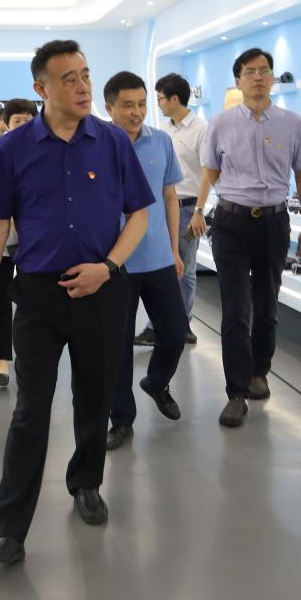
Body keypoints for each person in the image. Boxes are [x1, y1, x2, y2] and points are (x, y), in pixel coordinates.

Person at [0, 39, 154, 565]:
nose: (82, 87)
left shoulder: (112, 142)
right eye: (69, 79)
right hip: (37, 293)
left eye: (85, 75)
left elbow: (138, 215)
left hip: (102, 289)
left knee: (94, 397)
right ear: (41, 88)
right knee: (31, 409)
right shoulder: (13, 148)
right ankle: (9, 530)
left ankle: (86, 483)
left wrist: (108, 267)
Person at [189, 47, 301, 428]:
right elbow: (210, 172)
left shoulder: (293, 124)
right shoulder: (220, 123)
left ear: (272, 78)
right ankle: (236, 392)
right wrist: (198, 209)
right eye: (250, 71)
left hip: (274, 223)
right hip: (231, 222)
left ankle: (260, 371)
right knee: (235, 309)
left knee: (267, 304)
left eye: (264, 70)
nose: (258, 77)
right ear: (238, 80)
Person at [103, 71, 188, 451]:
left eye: (141, 104)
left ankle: (156, 382)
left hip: (158, 259)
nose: (137, 112)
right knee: (118, 347)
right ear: (110, 108)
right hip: (115, 262)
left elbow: (170, 197)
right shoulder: (97, 144)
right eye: (128, 105)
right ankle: (122, 420)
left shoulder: (162, 141)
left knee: (174, 333)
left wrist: (174, 249)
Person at [135, 72, 206, 347]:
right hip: (163, 206)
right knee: (163, 266)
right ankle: (163, 324)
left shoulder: (200, 129)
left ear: (174, 98)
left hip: (187, 208)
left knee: (184, 269)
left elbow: (209, 172)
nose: (158, 104)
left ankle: (181, 324)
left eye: (160, 98)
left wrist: (200, 211)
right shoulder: (163, 132)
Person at [0, 97, 40, 386]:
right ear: (6, 123)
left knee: (32, 301)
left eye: (29, 120)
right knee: (0, 299)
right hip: (3, 243)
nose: (23, 125)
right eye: (18, 121)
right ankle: (2, 361)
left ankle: (32, 357)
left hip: (34, 243)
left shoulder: (45, 151)